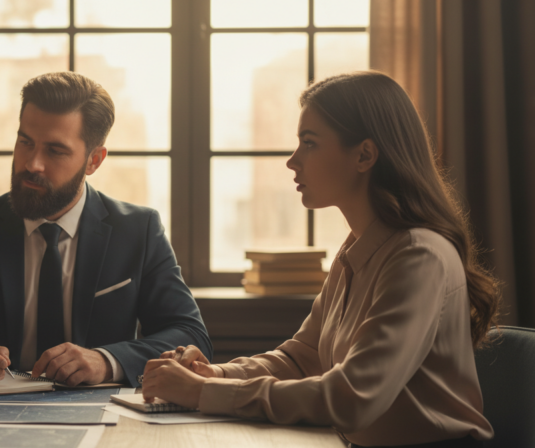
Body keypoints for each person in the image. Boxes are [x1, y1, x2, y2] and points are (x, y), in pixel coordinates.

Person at [141, 71, 499, 448]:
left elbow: (352, 398)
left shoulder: (418, 256)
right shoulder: (356, 248)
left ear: (364, 155)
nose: (292, 161)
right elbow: (300, 359)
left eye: (309, 144)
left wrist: (202, 393)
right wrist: (213, 374)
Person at [0, 72, 211, 388]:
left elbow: (191, 337)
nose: (32, 164)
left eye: (55, 150)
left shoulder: (138, 230)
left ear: (94, 160)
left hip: (106, 419)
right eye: (25, 142)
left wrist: (105, 361)